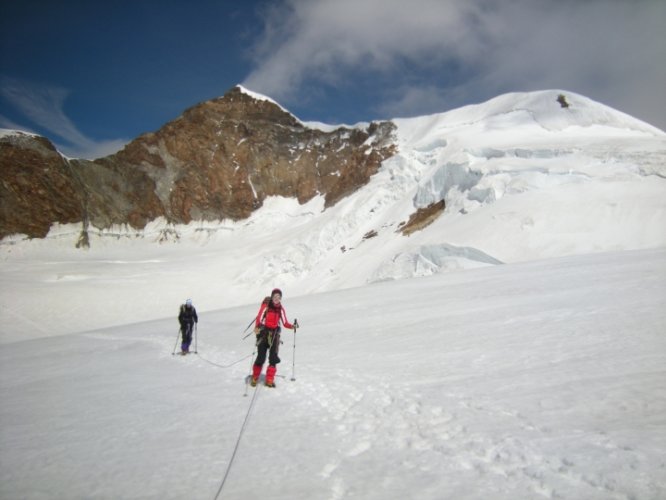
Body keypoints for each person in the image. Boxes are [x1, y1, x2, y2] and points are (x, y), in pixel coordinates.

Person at [251, 288, 295, 387]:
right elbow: (259, 317)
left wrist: (292, 326)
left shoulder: (281, 309)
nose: (276, 298)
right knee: (261, 357)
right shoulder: (266, 306)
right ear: (272, 297)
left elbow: (285, 322)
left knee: (273, 358)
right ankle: (255, 377)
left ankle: (269, 379)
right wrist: (257, 327)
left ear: (280, 298)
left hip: (274, 335)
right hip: (263, 334)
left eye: (279, 297)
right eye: (275, 296)